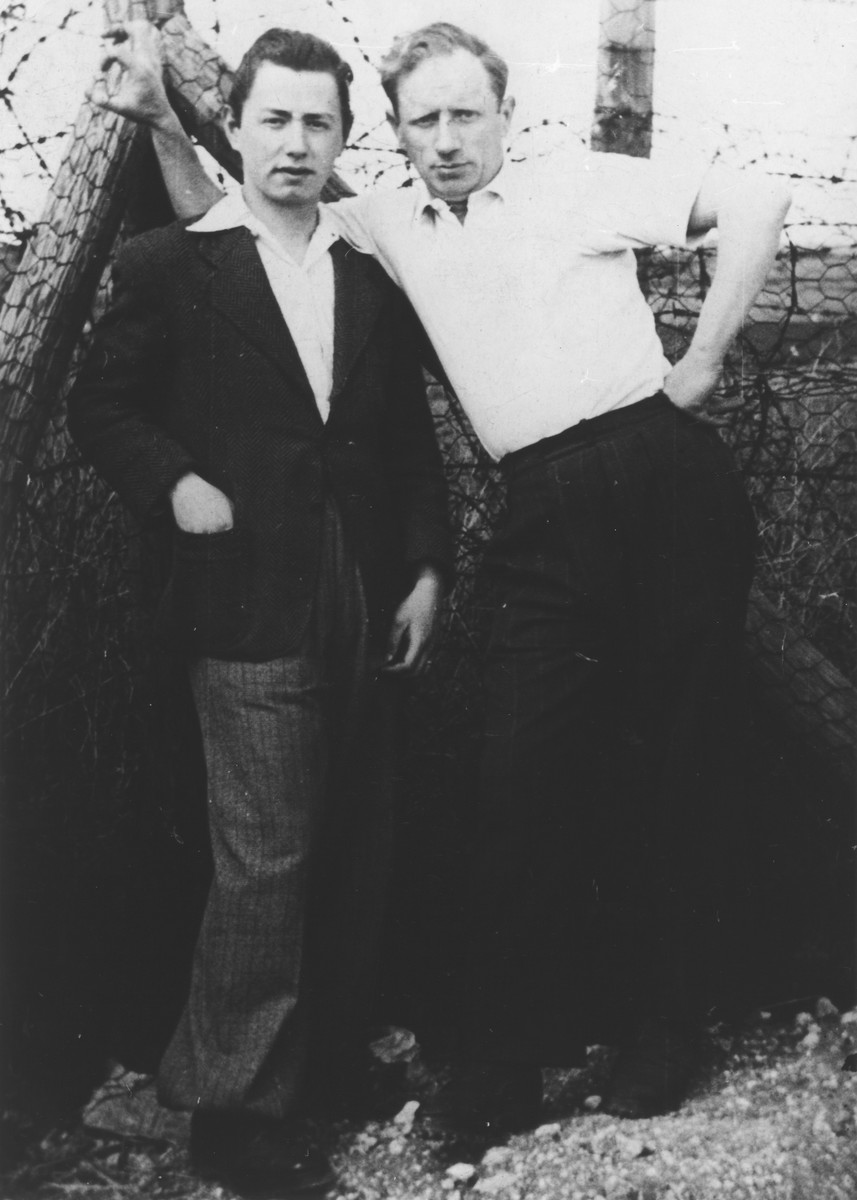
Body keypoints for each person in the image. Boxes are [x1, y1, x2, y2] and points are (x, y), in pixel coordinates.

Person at [93, 19, 791, 1138]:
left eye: (468, 113)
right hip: (537, 503)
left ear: (504, 115)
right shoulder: (375, 222)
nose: (448, 137)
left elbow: (753, 202)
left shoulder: (575, 183)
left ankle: (661, 1031)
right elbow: (241, 218)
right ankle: (500, 1064)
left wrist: (699, 361)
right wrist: (168, 122)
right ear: (399, 134)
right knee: (514, 777)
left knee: (671, 754)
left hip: (658, 477)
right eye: (424, 119)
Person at [68, 28, 451, 1195]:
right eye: (273, 119)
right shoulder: (174, 262)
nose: (295, 142)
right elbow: (105, 405)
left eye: (317, 123)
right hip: (242, 596)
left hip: (361, 588)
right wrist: (173, 481)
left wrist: (429, 570)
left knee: (355, 834)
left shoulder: (364, 275)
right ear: (233, 127)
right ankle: (232, 1110)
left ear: (343, 138)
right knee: (265, 855)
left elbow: (401, 446)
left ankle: (321, 1063)